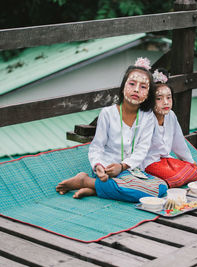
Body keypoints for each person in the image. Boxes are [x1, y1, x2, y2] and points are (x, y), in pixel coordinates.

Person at [56, 58, 168, 202]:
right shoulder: (107, 113)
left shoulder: (148, 117)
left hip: (130, 171)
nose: (136, 90)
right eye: (132, 84)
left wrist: (122, 167)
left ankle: (91, 186)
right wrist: (98, 166)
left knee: (161, 187)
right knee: (141, 192)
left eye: (143, 87)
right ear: (123, 87)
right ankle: (90, 182)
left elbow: (142, 150)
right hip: (106, 170)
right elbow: (97, 147)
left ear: (148, 94)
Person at [142, 68, 197, 188]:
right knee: (177, 177)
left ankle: (164, 180)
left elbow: (178, 142)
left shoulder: (171, 115)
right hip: (148, 163)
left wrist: (189, 160)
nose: (166, 102)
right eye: (159, 98)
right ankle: (156, 180)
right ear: (150, 100)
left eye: (169, 97)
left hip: (165, 160)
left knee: (195, 171)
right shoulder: (146, 118)